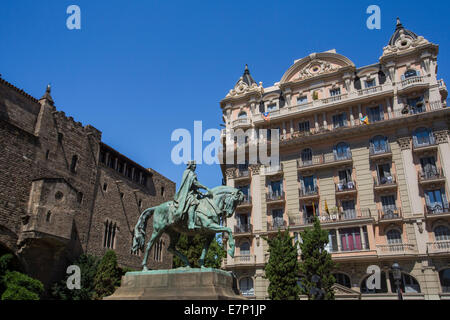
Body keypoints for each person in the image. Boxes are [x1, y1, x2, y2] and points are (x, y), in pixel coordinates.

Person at [172, 161, 211, 230]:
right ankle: (191, 223)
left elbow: (194, 187)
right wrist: (205, 188)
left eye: (195, 165)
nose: (195, 166)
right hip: (187, 194)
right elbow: (195, 183)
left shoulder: (193, 174)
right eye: (193, 165)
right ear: (190, 165)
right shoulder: (188, 173)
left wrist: (200, 193)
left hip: (193, 193)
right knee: (193, 202)